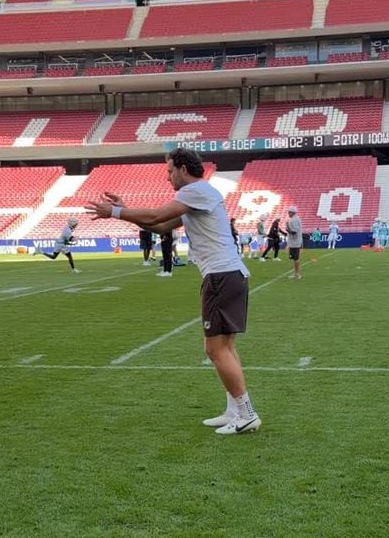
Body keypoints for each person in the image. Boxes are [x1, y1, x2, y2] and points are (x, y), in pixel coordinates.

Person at [88, 147, 260, 434]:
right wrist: (123, 212)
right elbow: (162, 226)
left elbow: (156, 216)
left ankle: (246, 413)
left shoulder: (196, 191)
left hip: (221, 275)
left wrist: (116, 211)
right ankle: (235, 410)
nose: (167, 177)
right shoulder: (199, 195)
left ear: (182, 168)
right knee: (224, 347)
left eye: (169, 171)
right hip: (226, 274)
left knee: (216, 349)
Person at [286, 206, 303, 279]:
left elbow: (294, 232)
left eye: (289, 212)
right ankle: (296, 273)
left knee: (296, 259)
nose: (288, 213)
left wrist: (287, 228)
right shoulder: (295, 219)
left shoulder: (294, 220)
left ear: (292, 212)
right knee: (295, 259)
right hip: (294, 242)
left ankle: (297, 274)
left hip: (295, 242)